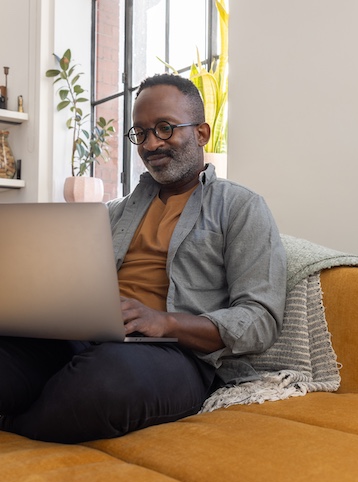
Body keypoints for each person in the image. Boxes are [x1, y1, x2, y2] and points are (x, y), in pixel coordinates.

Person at [0, 73, 287, 444]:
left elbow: (260, 319)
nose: (151, 143)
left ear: (202, 133)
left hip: (175, 355)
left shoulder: (241, 207)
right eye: (141, 133)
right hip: (88, 338)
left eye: (165, 129)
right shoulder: (115, 212)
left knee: (106, 381)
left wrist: (166, 322)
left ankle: (19, 424)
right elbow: (72, 282)